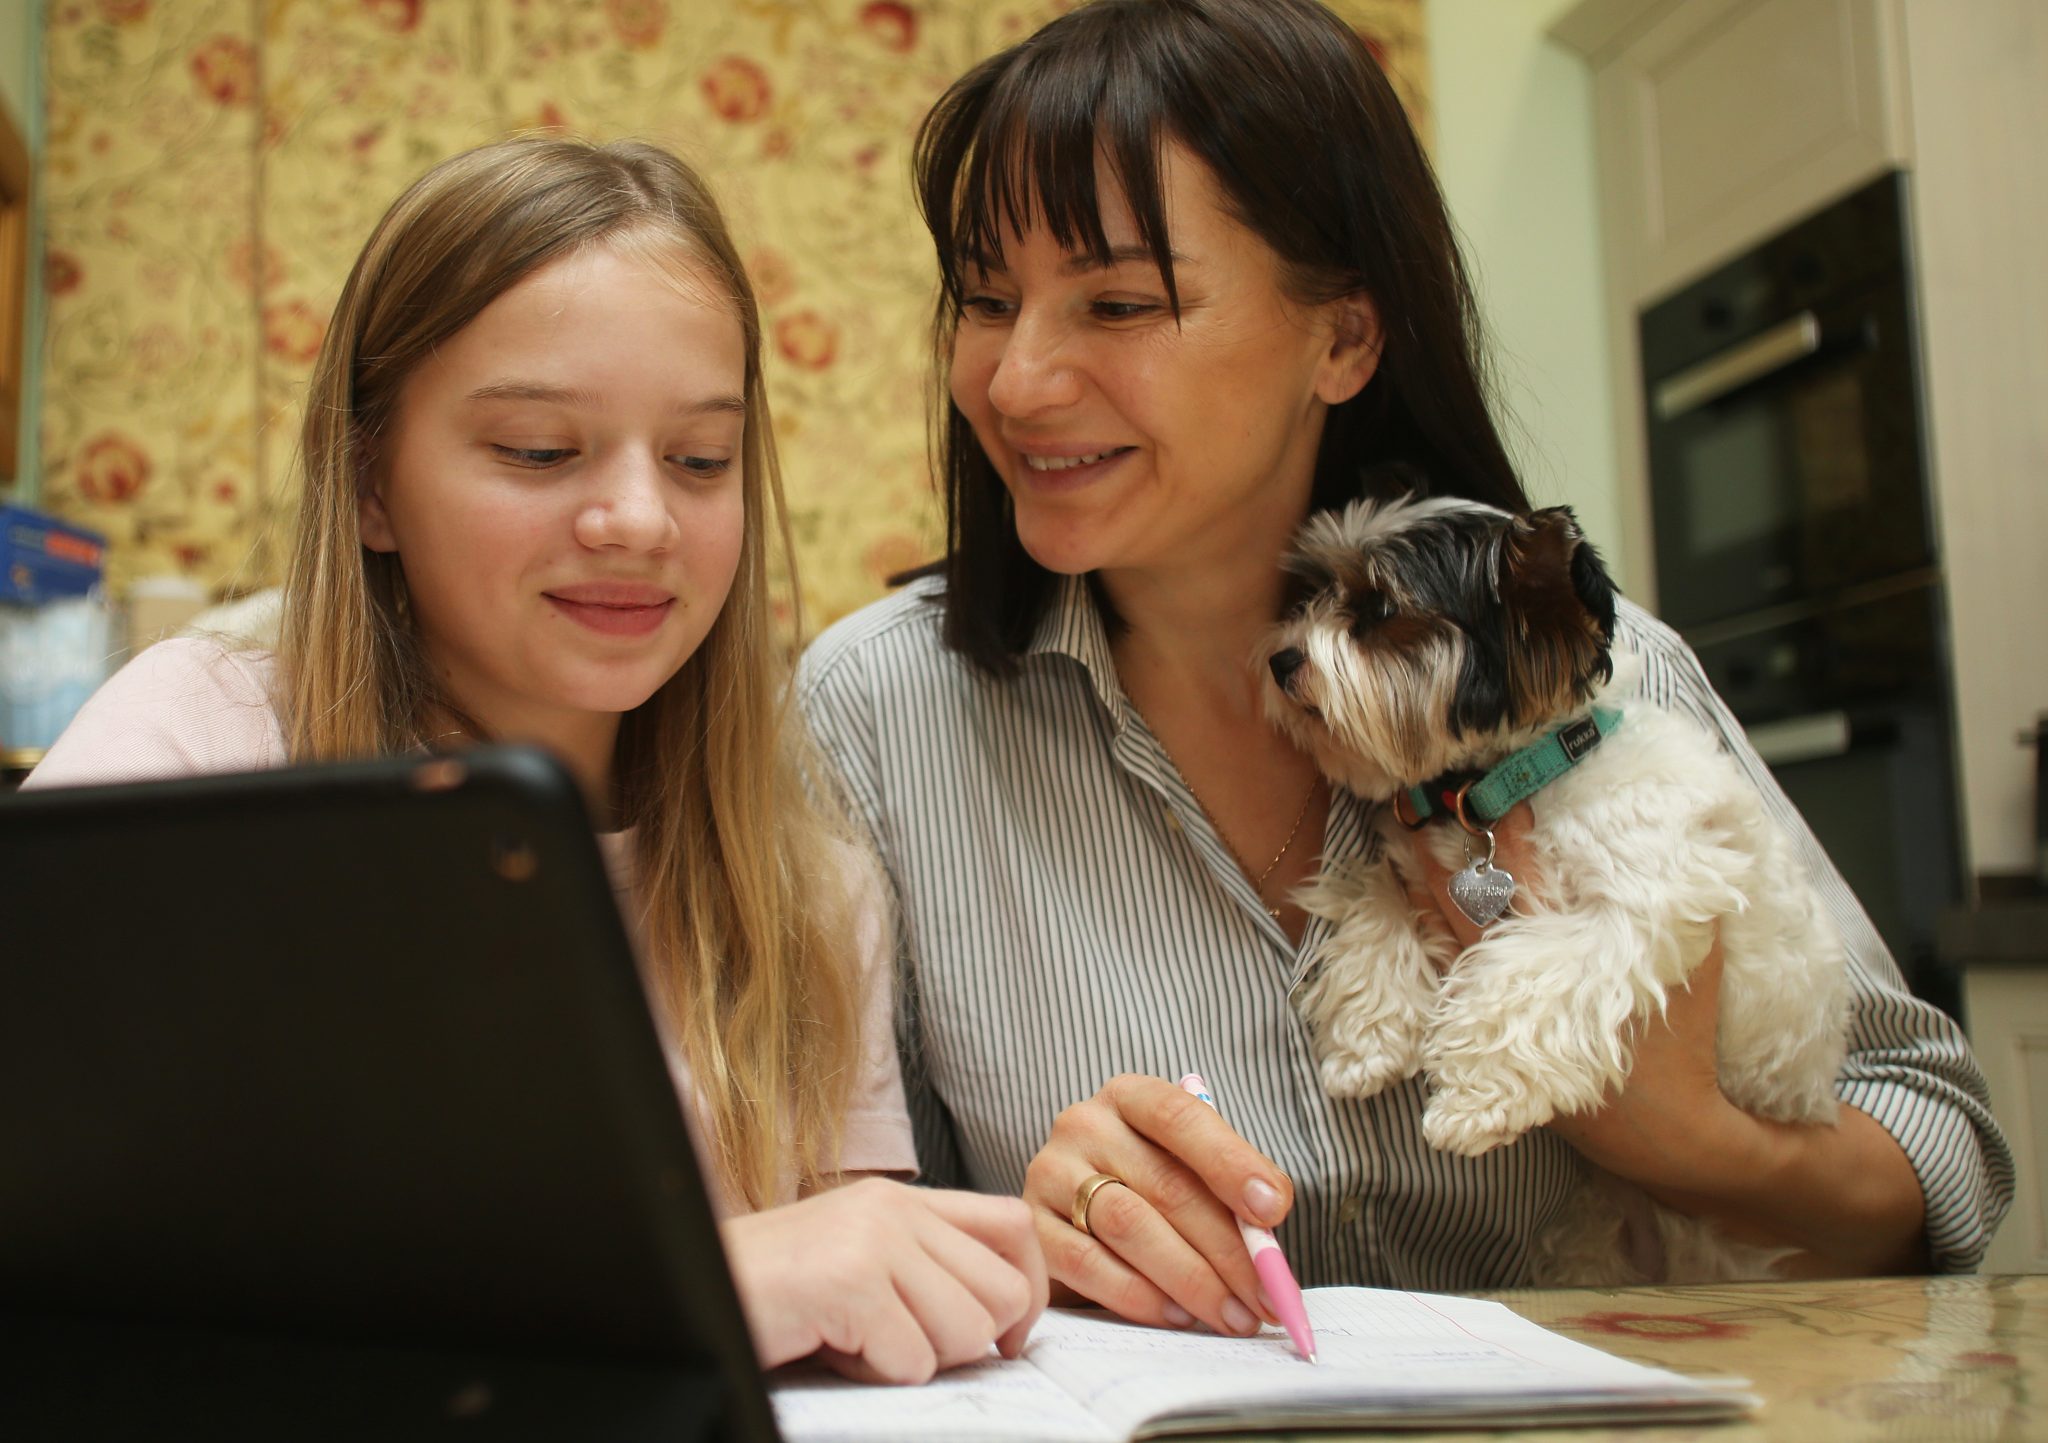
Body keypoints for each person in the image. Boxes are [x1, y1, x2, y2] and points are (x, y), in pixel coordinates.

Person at [798, 0, 2012, 1343]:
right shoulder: (869, 713)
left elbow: (1943, 1170)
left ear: (1344, 340)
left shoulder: (1598, 688)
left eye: (1120, 302)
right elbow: (827, 1224)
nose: (1015, 381)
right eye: (985, 301)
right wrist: (1023, 1240)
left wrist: (1690, 1138)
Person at [27, 136, 1045, 1384]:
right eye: (537, 451)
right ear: (370, 483)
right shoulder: (196, 751)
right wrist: (694, 1283)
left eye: (700, 461)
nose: (639, 519)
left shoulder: (810, 893)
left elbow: (857, 1300)